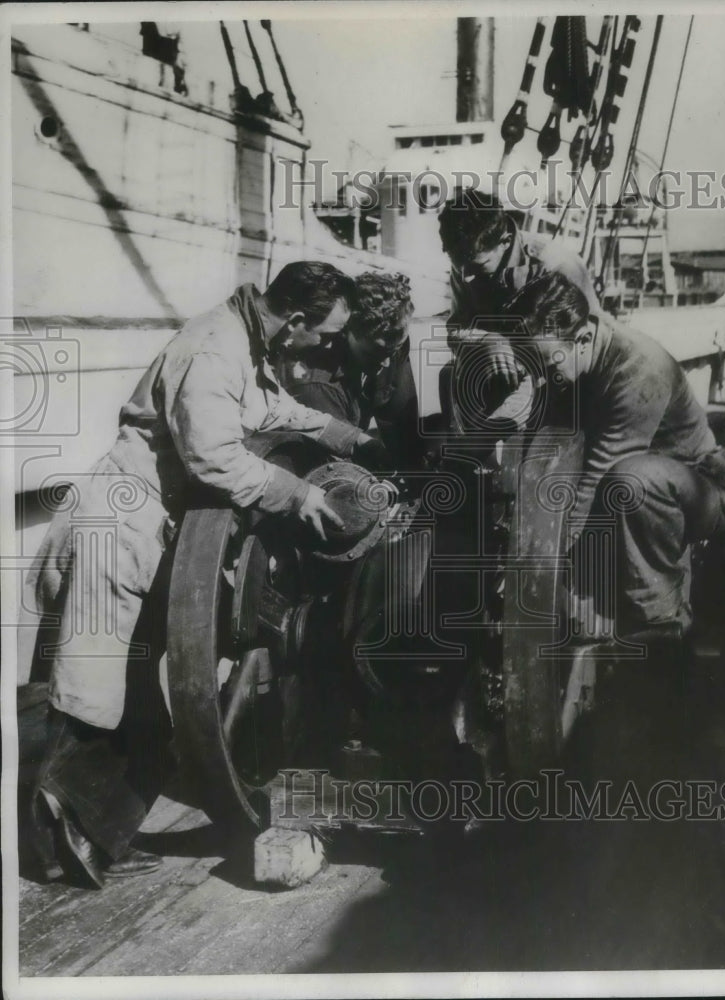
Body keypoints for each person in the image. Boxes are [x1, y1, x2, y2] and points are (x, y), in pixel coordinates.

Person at [27, 261, 382, 888]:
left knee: (128, 691)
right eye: (323, 335)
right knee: (99, 689)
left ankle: (82, 836)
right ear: (295, 319)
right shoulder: (215, 349)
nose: (325, 347)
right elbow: (214, 458)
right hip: (124, 521)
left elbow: (268, 408)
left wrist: (343, 435)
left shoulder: (245, 338)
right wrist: (299, 496)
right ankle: (62, 841)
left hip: (150, 522)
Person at [511, 270, 725, 637]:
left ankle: (662, 623)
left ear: (582, 339)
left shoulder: (637, 369)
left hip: (701, 491)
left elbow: (598, 479)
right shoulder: (566, 358)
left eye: (547, 364)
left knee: (631, 480)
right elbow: (543, 450)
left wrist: (546, 569)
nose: (539, 379)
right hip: (636, 494)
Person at [437, 187, 600, 427]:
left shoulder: (558, 265)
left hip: (555, 374)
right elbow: (455, 330)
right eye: (459, 266)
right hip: (503, 374)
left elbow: (589, 343)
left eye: (476, 268)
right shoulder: (467, 263)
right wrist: (488, 341)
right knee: (449, 376)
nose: (465, 277)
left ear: (504, 241)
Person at [275, 271, 424, 469]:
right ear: (345, 332)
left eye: (394, 351)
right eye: (376, 354)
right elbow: (341, 467)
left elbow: (404, 433)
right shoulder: (316, 382)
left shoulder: (389, 341)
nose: (388, 363)